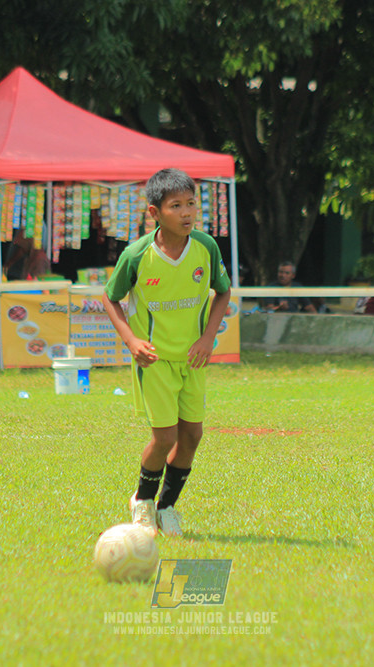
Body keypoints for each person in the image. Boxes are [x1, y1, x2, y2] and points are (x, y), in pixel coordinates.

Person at [102, 168, 231, 537]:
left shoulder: (206, 247)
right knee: (165, 438)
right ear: (155, 213)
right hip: (155, 359)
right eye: (176, 206)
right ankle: (142, 501)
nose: (187, 212)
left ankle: (167, 507)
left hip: (193, 358)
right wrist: (131, 341)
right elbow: (110, 298)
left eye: (192, 203)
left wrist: (207, 338)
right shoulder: (137, 254)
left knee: (192, 435)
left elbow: (222, 291)